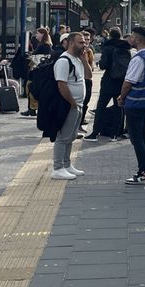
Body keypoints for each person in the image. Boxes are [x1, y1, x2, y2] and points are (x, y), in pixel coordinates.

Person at [118, 26, 145, 185]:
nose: (130, 39)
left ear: (138, 39)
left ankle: (143, 173)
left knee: (137, 139)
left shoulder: (138, 59)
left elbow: (128, 82)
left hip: (135, 102)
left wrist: (121, 97)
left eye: (132, 36)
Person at [51, 32, 89, 180]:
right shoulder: (64, 61)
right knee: (63, 136)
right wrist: (72, 102)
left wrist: (84, 60)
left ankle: (66, 164)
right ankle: (58, 167)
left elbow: (88, 75)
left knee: (71, 136)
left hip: (78, 105)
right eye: (81, 42)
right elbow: (61, 84)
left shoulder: (77, 59)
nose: (84, 45)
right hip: (68, 105)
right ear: (71, 42)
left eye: (84, 42)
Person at [85, 28, 131, 141]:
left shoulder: (108, 47)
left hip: (108, 81)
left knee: (100, 107)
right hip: (121, 81)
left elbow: (103, 65)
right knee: (118, 108)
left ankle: (95, 133)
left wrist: (101, 63)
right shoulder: (126, 48)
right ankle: (114, 134)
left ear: (110, 36)